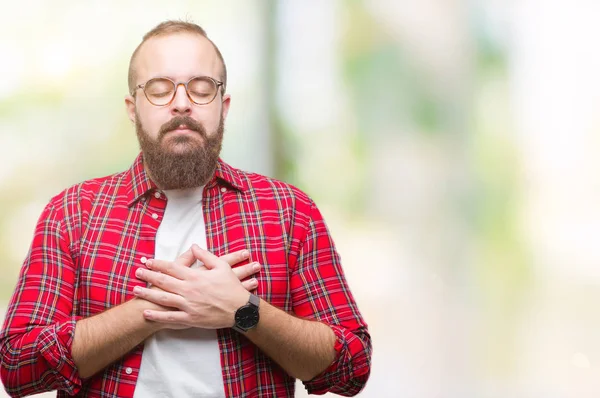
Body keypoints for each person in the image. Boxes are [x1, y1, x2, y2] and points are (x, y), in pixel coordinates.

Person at [0, 20, 371, 398]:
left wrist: (244, 311)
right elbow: (17, 366)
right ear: (133, 108)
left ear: (223, 107)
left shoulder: (290, 211)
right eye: (160, 89)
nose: (181, 103)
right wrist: (154, 306)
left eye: (201, 88)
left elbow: (351, 369)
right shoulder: (72, 213)